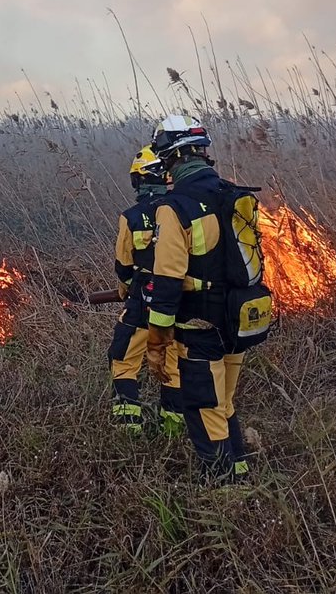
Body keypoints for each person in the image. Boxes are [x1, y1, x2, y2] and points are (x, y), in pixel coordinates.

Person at [145, 114, 251, 482]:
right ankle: (240, 473)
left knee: (205, 405)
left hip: (200, 327)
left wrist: (157, 341)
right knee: (225, 402)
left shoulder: (175, 208)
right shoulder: (232, 193)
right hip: (239, 320)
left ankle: (225, 491)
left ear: (170, 158)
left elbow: (168, 281)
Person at [108, 146, 183, 435]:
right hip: (176, 303)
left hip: (142, 302)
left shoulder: (132, 217)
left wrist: (125, 287)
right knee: (172, 365)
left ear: (140, 180)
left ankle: (129, 431)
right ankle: (172, 431)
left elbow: (124, 264)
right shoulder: (180, 211)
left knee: (123, 359)